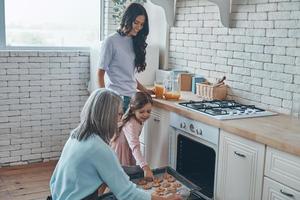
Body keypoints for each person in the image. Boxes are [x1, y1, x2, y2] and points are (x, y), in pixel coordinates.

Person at [49, 89, 182, 200]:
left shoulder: (76, 136)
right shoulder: (98, 148)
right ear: (107, 116)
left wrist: (137, 169)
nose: (120, 119)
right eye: (119, 114)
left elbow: (54, 181)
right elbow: (128, 194)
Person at [97, 3, 154, 112]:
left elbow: (128, 76)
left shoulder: (135, 42)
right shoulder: (111, 41)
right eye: (136, 22)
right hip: (116, 100)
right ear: (128, 19)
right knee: (116, 129)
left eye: (142, 24)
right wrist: (104, 101)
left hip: (133, 100)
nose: (139, 27)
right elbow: (100, 74)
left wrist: (145, 90)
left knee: (132, 130)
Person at [111, 91, 154, 180]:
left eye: (148, 111)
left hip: (128, 147)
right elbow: (135, 146)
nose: (146, 114)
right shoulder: (132, 124)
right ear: (133, 110)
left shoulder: (138, 119)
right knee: (121, 178)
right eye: (142, 112)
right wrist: (145, 167)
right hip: (122, 150)